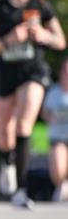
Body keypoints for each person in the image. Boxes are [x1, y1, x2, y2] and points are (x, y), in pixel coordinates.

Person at [0, 0, 66, 209]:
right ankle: (7, 161)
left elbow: (60, 41)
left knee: (23, 125)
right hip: (5, 74)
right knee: (4, 133)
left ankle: (21, 191)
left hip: (33, 72)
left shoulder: (40, 6)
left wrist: (43, 35)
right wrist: (10, 39)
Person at [42, 56, 68, 202]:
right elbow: (44, 112)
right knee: (58, 167)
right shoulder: (54, 91)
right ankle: (61, 185)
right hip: (58, 136)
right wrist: (51, 118)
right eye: (65, 71)